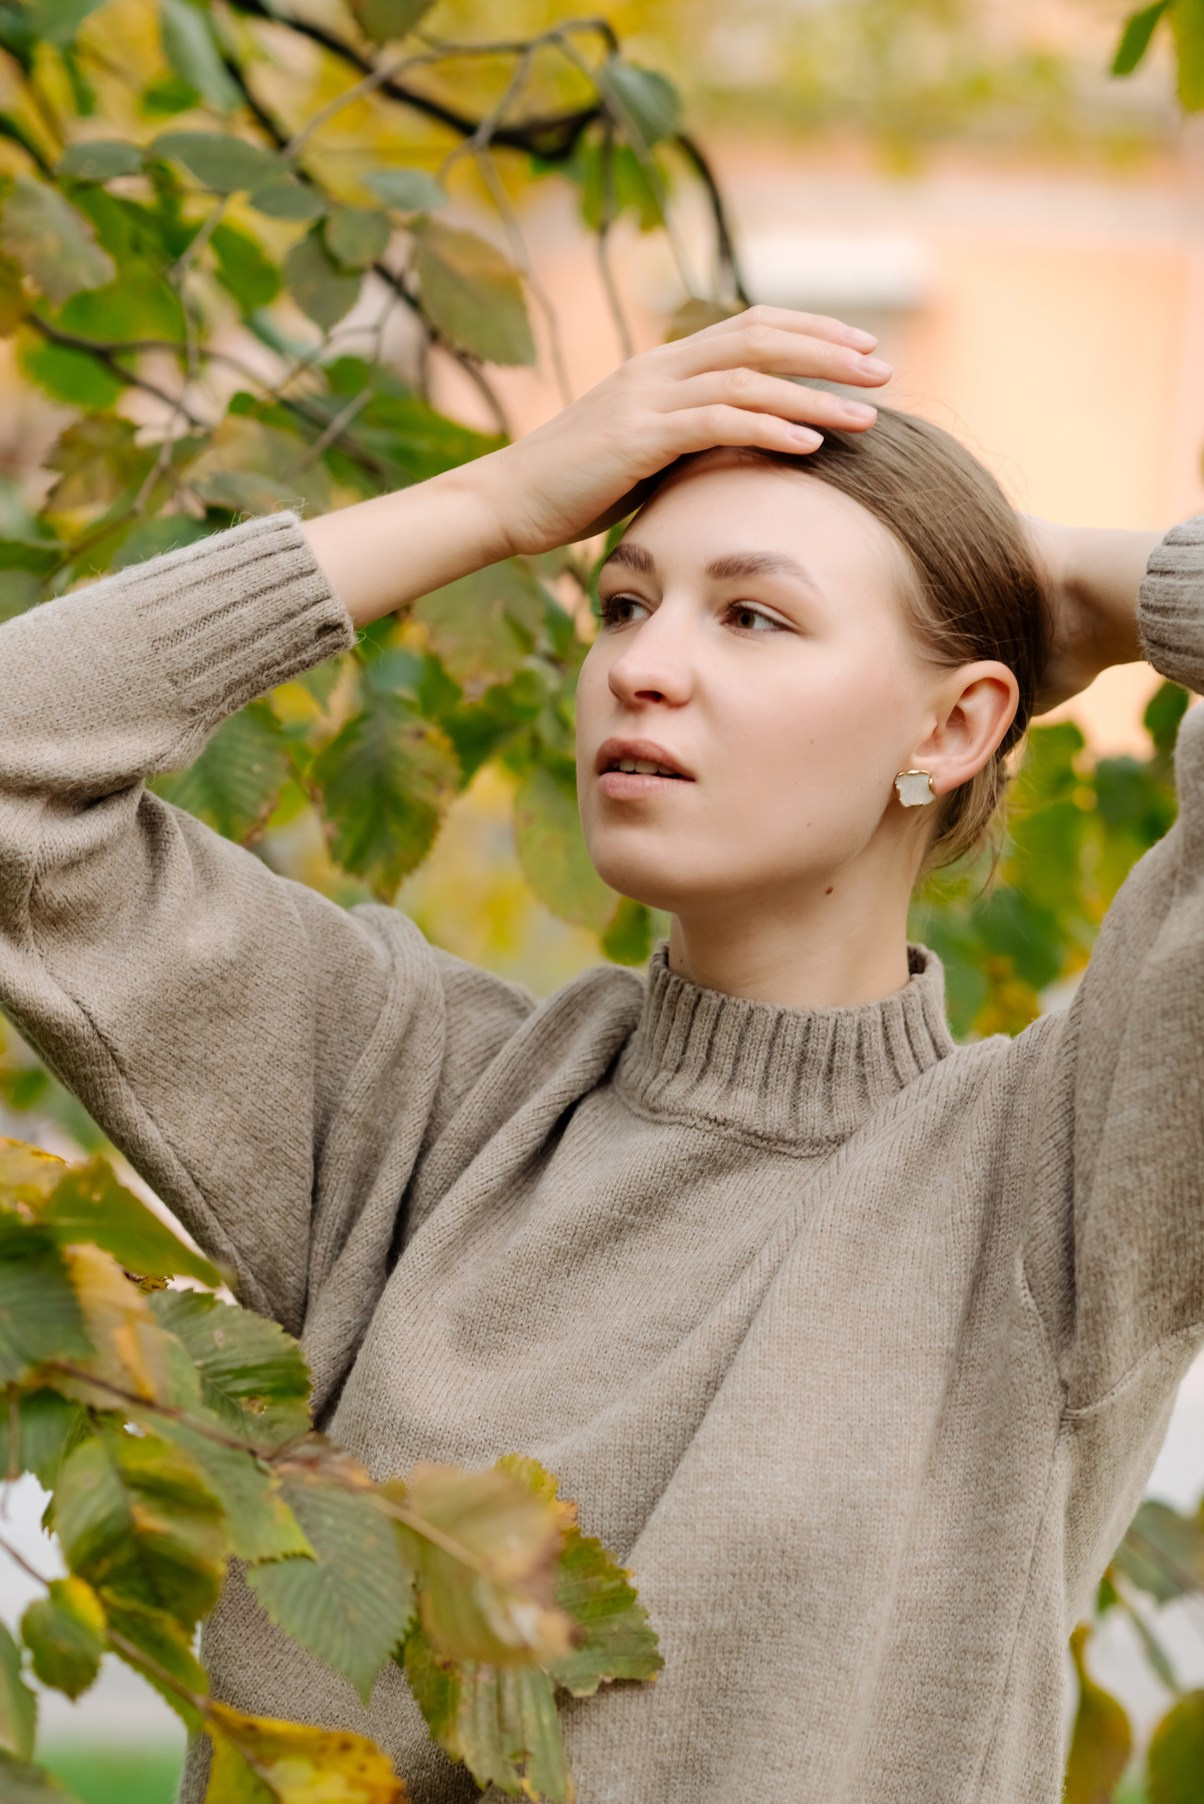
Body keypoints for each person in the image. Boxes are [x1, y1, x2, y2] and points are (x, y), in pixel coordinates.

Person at [0, 304, 1201, 1804]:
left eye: (751, 615)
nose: (645, 668)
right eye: (625, 605)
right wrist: (492, 501)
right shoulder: (416, 1098)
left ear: (957, 726)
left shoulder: (1058, 1187)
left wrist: (1072, 578)